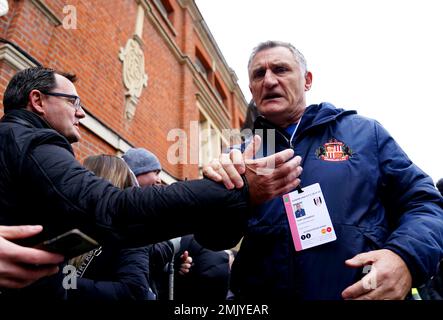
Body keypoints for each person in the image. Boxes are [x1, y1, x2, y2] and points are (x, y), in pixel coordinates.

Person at [0, 66, 302, 298]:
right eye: (73, 101)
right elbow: (111, 211)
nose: (80, 112)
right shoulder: (30, 141)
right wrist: (234, 187)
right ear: (37, 101)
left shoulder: (17, 143)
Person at [204, 40, 443, 300]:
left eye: (281, 69)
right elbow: (214, 238)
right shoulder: (239, 158)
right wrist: (215, 194)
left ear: (307, 80)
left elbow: (426, 204)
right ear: (252, 88)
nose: (269, 81)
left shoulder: (364, 134)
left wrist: (405, 257)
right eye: (259, 74)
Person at [123, 147, 230, 301]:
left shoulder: (152, 214)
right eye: (155, 172)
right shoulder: (124, 213)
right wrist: (170, 246)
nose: (160, 180)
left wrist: (171, 265)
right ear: (134, 173)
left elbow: (147, 268)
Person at [67, 154, 152, 300]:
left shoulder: (128, 232)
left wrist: (65, 283)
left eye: (84, 177)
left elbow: (133, 290)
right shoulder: (72, 221)